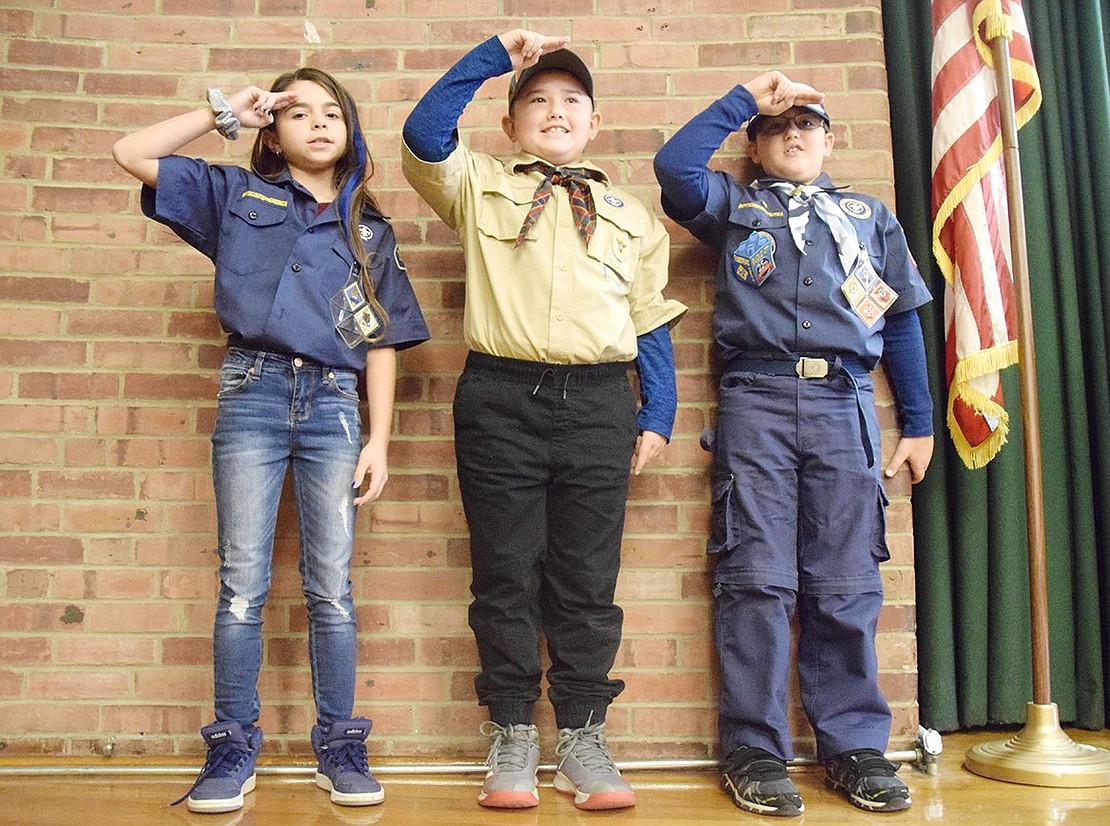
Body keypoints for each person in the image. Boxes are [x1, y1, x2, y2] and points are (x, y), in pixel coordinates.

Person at [112, 68, 430, 814]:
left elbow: (380, 343)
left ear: (351, 131)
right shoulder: (235, 196)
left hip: (332, 405)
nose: (318, 124)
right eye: (298, 112)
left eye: (333, 113)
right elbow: (130, 150)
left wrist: (379, 438)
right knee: (242, 585)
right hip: (250, 394)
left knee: (332, 589)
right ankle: (230, 748)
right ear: (272, 131)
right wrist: (221, 114)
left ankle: (340, 746)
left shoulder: (370, 230)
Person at [401, 30, 686, 812]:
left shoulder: (631, 216)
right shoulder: (479, 182)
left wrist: (657, 411)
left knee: (588, 579)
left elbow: (650, 318)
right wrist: (495, 54)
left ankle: (585, 739)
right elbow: (425, 133)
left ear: (594, 124)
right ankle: (513, 735)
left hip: (599, 403)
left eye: (571, 103)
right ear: (510, 124)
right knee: (504, 573)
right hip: (500, 398)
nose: (554, 112)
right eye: (536, 101)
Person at [654, 73, 934, 817]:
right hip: (758, 402)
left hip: (844, 405)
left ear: (829, 139)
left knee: (846, 579)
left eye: (808, 125)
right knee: (756, 577)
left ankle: (852, 747)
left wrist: (921, 420)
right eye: (778, 127)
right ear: (755, 143)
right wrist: (746, 96)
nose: (795, 135)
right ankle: (753, 747)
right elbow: (674, 170)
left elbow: (901, 321)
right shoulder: (734, 206)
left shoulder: (868, 218)